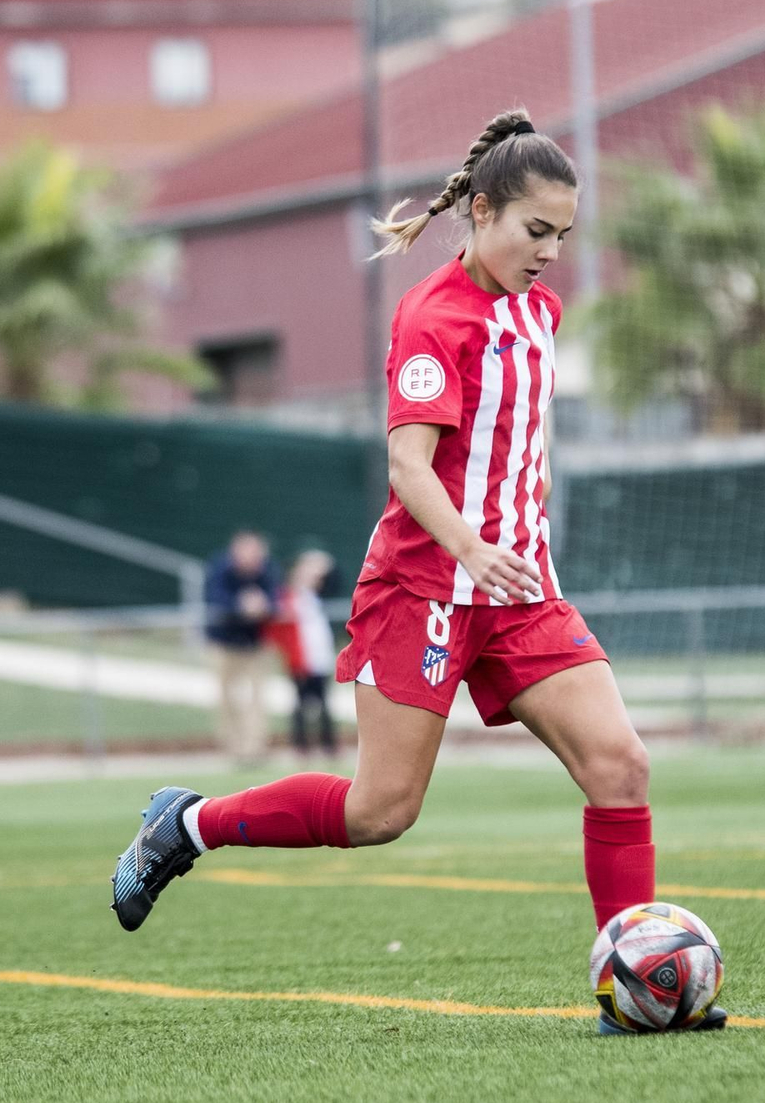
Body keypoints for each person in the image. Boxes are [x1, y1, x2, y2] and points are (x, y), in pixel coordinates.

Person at [110, 107, 723, 1033]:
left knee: (620, 764)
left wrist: (511, 543)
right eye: (535, 230)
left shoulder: (542, 311)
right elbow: (408, 466)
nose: (551, 251)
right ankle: (183, 825)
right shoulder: (435, 316)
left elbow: (513, 449)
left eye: (564, 233)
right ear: (481, 212)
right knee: (380, 810)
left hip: (519, 592)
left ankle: (629, 987)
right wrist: (471, 545)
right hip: (426, 588)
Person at [205, 530, 277, 765]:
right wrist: (240, 605)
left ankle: (254, 748)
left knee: (257, 698)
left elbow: (276, 600)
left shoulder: (266, 571)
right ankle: (231, 748)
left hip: (255, 645)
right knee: (227, 697)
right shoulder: (221, 569)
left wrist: (262, 605)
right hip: (225, 644)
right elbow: (214, 598)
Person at [266, 549, 339, 758]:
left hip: (320, 657)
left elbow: (335, 583)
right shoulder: (288, 597)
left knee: (324, 704)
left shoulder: (317, 596)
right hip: (301, 659)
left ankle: (328, 745)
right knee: (301, 704)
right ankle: (301, 746)